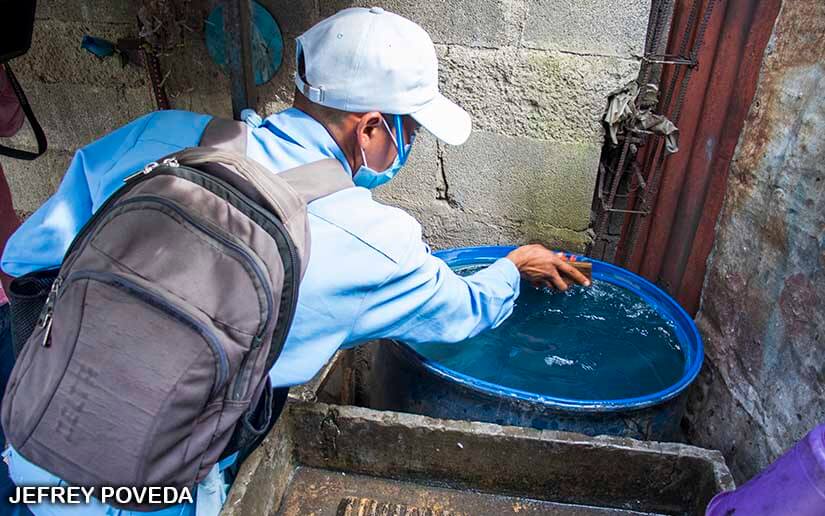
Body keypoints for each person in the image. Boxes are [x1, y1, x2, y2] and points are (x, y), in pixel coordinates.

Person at [0, 7, 589, 516]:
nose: (410, 144)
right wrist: (514, 265)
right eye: (410, 130)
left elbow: (26, 261)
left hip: (34, 434)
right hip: (159, 488)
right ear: (372, 128)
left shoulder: (159, 135)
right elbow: (461, 312)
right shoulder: (377, 243)